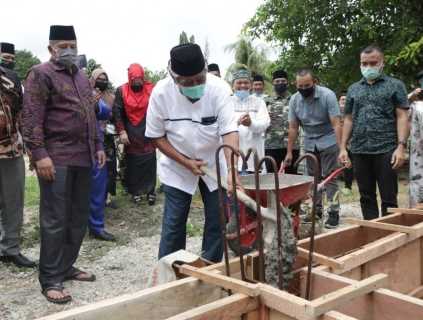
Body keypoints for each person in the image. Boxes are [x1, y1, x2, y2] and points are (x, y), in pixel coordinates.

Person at [22, 25, 106, 304]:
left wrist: (98, 146)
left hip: (84, 157)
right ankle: (50, 278)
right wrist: (39, 154)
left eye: (73, 44)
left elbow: (91, 116)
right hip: (56, 157)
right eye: (63, 45)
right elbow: (31, 117)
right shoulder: (40, 74)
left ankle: (66, 265)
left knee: (78, 216)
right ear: (51, 49)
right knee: (55, 218)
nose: (69, 50)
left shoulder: (82, 76)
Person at [146, 43, 240, 263]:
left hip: (215, 164)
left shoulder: (219, 89)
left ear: (206, 70)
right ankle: (172, 271)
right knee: (174, 223)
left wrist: (233, 170)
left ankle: (210, 268)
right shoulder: (160, 93)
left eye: (200, 79)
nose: (195, 86)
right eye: (187, 83)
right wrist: (186, 162)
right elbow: (156, 136)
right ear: (173, 76)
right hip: (177, 165)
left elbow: (230, 131)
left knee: (218, 220)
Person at [339, 45, 409, 220]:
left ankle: (389, 237)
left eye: (373, 63)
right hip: (360, 150)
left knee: (389, 199)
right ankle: (371, 235)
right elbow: (348, 119)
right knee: (366, 197)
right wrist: (342, 147)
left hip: (386, 150)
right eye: (364, 63)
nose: (368, 67)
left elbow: (402, 116)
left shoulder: (395, 85)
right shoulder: (354, 89)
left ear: (382, 63)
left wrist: (401, 146)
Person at [286, 69, 342, 228]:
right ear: (296, 85)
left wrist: (341, 148)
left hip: (329, 139)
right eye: (300, 86)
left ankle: (333, 212)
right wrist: (289, 151)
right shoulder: (294, 100)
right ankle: (316, 211)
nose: (304, 89)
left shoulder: (327, 95)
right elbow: (293, 127)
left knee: (330, 178)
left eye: (307, 85)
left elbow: (337, 123)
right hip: (310, 142)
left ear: (314, 82)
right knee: (312, 179)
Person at [0, 42, 35, 268]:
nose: (9, 60)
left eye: (10, 57)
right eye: (6, 57)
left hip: (10, 150)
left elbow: (22, 112)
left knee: (13, 202)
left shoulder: (12, 78)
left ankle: (10, 249)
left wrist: (30, 146)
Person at [114, 63, 157, 205]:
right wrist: (121, 131)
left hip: (148, 129)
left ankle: (151, 190)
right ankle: (136, 191)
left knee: (150, 160)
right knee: (133, 162)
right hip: (130, 131)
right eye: (134, 80)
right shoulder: (121, 91)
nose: (137, 82)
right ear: (129, 78)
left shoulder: (151, 89)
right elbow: (117, 112)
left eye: (139, 79)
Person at [88, 69, 116, 241]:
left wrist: (95, 104)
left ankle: (96, 227)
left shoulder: (101, 96)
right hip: (72, 146)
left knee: (98, 185)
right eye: (98, 78)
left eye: (104, 79)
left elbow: (106, 113)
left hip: (97, 143)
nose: (101, 81)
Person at [230, 69, 270, 172]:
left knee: (256, 186)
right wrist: (237, 123)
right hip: (234, 157)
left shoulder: (259, 102)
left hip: (255, 156)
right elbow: (222, 126)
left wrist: (251, 124)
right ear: (233, 85)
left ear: (251, 85)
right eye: (239, 82)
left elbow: (265, 123)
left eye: (246, 82)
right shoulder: (227, 102)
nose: (243, 85)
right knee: (235, 187)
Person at [264, 69, 299, 173]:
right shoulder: (266, 101)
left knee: (292, 177)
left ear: (287, 83)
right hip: (271, 145)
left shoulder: (295, 99)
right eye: (277, 81)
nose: (280, 84)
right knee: (271, 177)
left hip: (292, 145)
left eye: (283, 81)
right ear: (273, 83)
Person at [407, 70, 423, 207]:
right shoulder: (416, 105)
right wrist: (412, 95)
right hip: (418, 158)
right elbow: (399, 110)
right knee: (418, 191)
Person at [338, 92, 353, 196]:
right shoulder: (335, 114)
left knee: (349, 166)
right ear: (339, 102)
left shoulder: (353, 112)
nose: (344, 101)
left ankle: (348, 187)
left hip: (351, 143)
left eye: (346, 100)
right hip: (337, 143)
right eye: (342, 99)